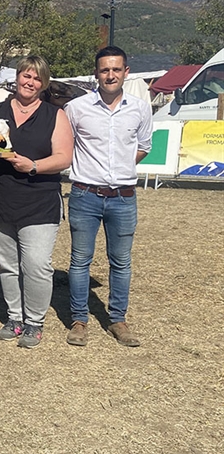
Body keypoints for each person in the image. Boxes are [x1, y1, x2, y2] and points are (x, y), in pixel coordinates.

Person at [0, 55, 73, 348]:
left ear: (44, 83)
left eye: (37, 78)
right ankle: (14, 318)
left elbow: (65, 157)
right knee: (8, 265)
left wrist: (34, 166)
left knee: (37, 265)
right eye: (26, 75)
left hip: (39, 202)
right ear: (17, 78)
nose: (30, 82)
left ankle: (34, 323)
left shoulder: (55, 115)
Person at [65, 46, 152, 347]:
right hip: (84, 194)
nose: (110, 75)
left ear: (126, 72)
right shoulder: (76, 108)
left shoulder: (141, 109)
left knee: (121, 262)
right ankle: (79, 320)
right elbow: (66, 146)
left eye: (116, 69)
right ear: (96, 73)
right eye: (105, 70)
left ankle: (117, 320)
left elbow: (144, 147)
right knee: (79, 261)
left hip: (123, 197)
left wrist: (120, 169)